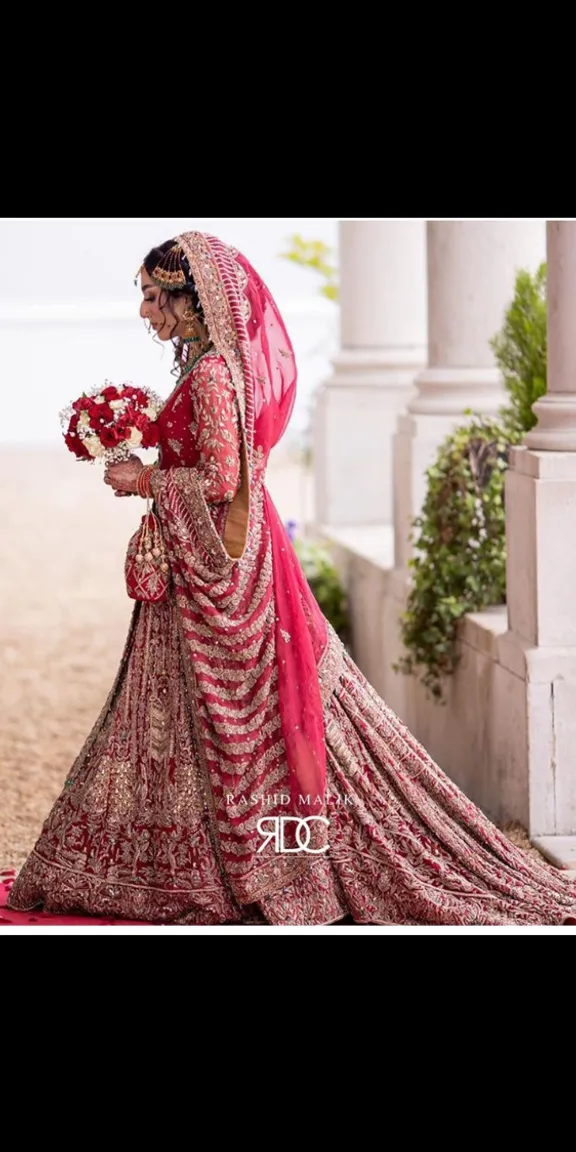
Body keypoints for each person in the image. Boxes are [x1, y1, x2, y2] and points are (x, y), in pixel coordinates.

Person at [8, 230, 576, 926]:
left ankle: (273, 865)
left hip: (224, 567)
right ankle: (198, 862)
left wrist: (144, 478)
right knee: (187, 713)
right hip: (197, 565)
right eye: (144, 296)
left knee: (269, 717)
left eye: (156, 297)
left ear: (192, 300)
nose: (146, 311)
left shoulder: (214, 374)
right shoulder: (200, 365)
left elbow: (221, 479)